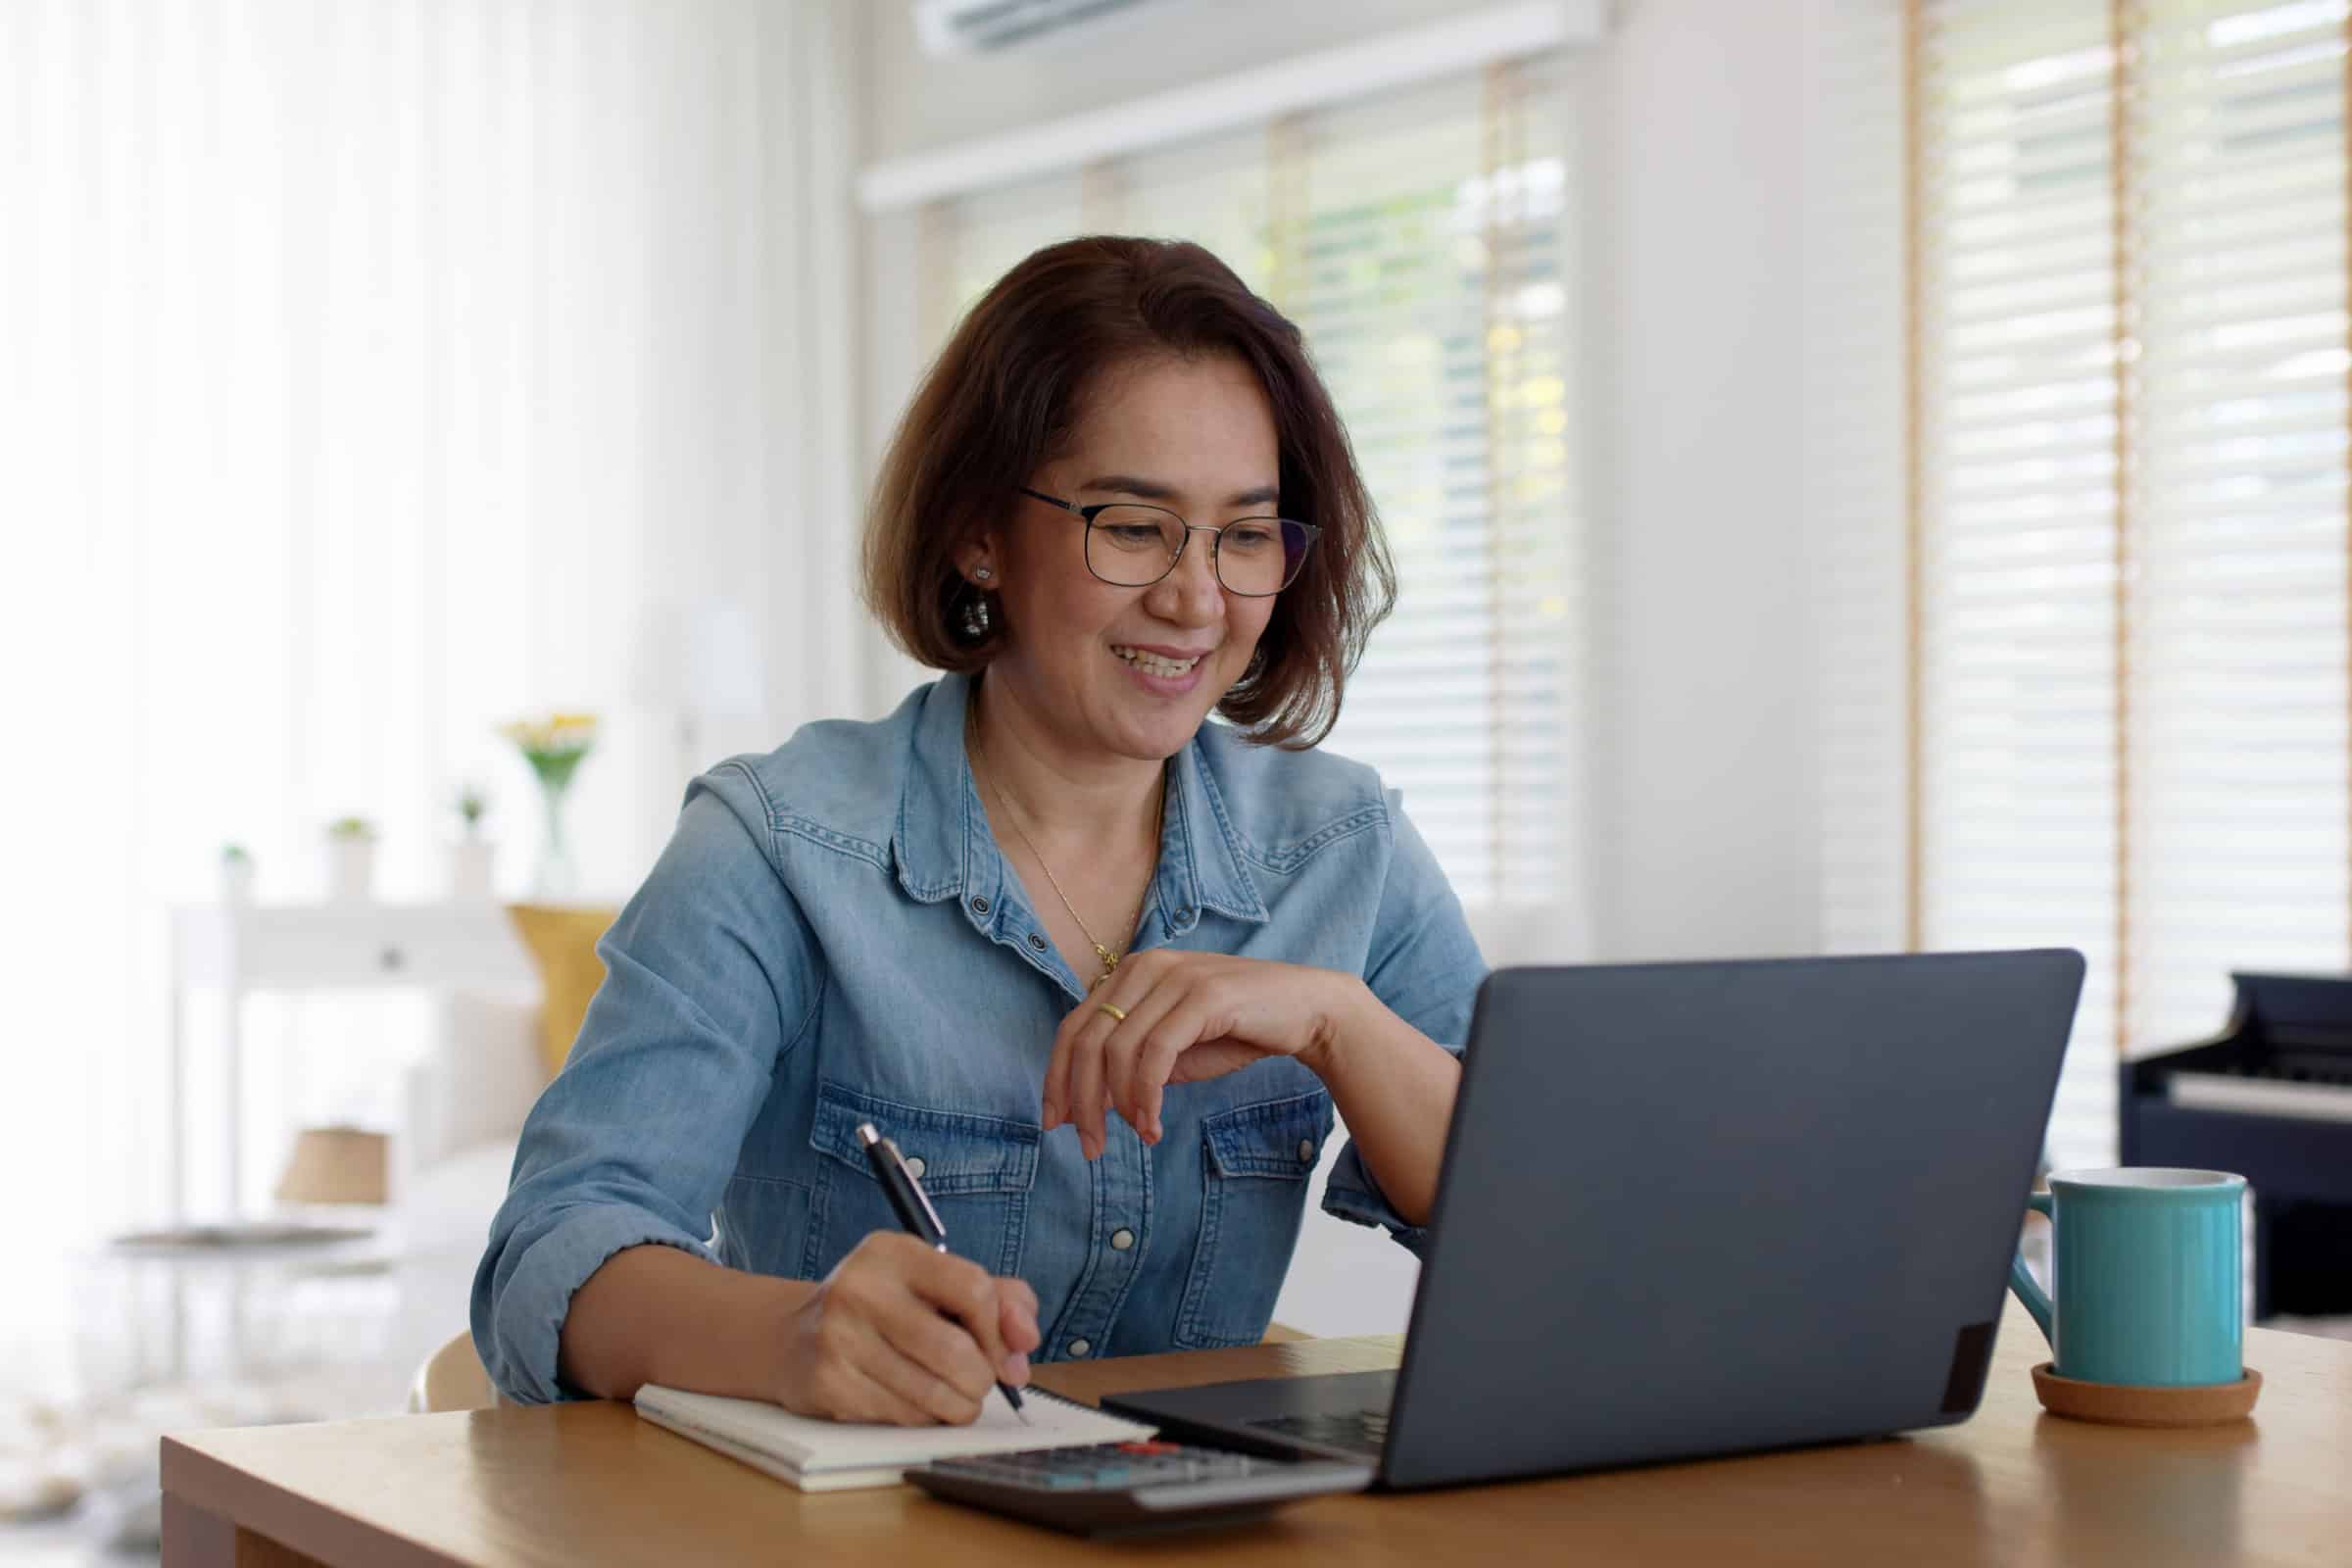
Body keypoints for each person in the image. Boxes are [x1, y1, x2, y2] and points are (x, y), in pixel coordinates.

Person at [472, 235, 1487, 1420]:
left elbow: (1553, 1223)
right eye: (1133, 525)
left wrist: (1336, 1022)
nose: (1197, 598)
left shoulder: (1344, 845)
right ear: (979, 534)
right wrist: (793, 1336)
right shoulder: (778, 846)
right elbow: (552, 1250)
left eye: (1247, 535)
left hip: (1209, 1509)